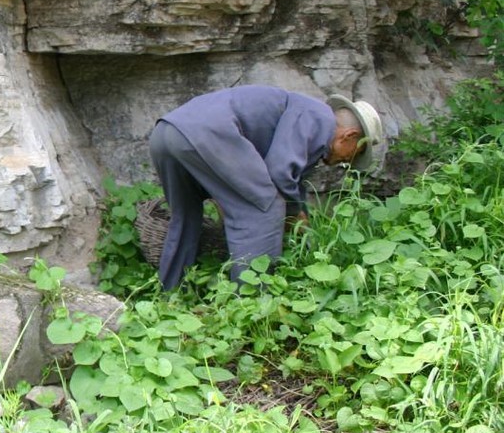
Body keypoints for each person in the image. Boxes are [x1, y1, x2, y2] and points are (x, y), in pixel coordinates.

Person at [149, 85, 385, 290]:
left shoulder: (309, 119)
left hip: (167, 133)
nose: (348, 162)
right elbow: (280, 173)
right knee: (264, 209)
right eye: (356, 153)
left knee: (187, 215)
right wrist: (293, 213)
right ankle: (250, 309)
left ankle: (170, 293)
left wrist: (297, 212)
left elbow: (289, 179)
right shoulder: (319, 116)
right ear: (349, 136)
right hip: (206, 135)